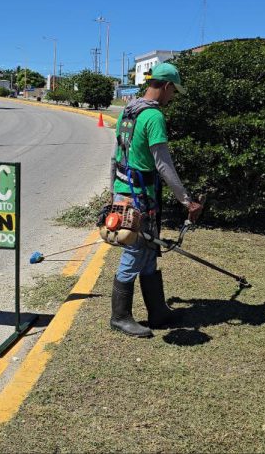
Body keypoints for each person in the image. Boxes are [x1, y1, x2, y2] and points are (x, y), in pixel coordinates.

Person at [109, 62, 202, 337]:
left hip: (124, 189)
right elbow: (163, 165)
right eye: (174, 91)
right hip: (140, 197)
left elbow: (116, 155)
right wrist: (187, 201)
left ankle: (158, 311)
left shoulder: (128, 110)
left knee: (148, 249)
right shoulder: (153, 117)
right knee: (136, 251)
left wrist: (112, 192)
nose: (172, 97)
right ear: (166, 86)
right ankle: (120, 317)